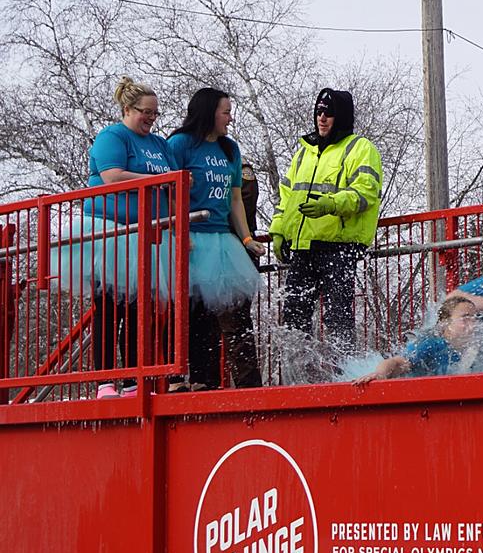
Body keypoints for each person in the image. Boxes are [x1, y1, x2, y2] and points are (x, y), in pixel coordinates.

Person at [53, 77, 177, 399]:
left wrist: (176, 223)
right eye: (145, 112)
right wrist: (157, 179)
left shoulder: (160, 145)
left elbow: (175, 182)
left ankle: (134, 381)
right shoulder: (112, 136)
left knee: (138, 311)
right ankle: (105, 382)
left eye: (155, 113)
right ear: (127, 108)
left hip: (145, 235)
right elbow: (112, 176)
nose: (151, 118)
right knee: (108, 309)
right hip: (108, 233)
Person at [269, 88, 383, 372]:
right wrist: (279, 231)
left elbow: (365, 193)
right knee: (295, 314)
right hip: (303, 245)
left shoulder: (360, 148)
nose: (322, 118)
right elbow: (286, 197)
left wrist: (331, 205)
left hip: (339, 245)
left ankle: (345, 375)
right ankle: (300, 378)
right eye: (319, 111)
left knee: (338, 316)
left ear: (341, 116)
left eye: (328, 113)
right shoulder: (303, 153)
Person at [167, 88, 265, 391]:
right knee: (189, 311)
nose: (230, 117)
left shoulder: (229, 149)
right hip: (190, 238)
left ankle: (228, 383)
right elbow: (167, 191)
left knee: (228, 312)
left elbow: (235, 198)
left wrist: (247, 237)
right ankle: (186, 380)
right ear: (209, 112)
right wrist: (179, 229)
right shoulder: (179, 144)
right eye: (226, 111)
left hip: (222, 240)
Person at [352, 297, 483, 385]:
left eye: (474, 317)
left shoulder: (482, 348)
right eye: (464, 318)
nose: (472, 323)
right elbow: (398, 363)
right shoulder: (431, 344)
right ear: (445, 324)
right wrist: (379, 374)